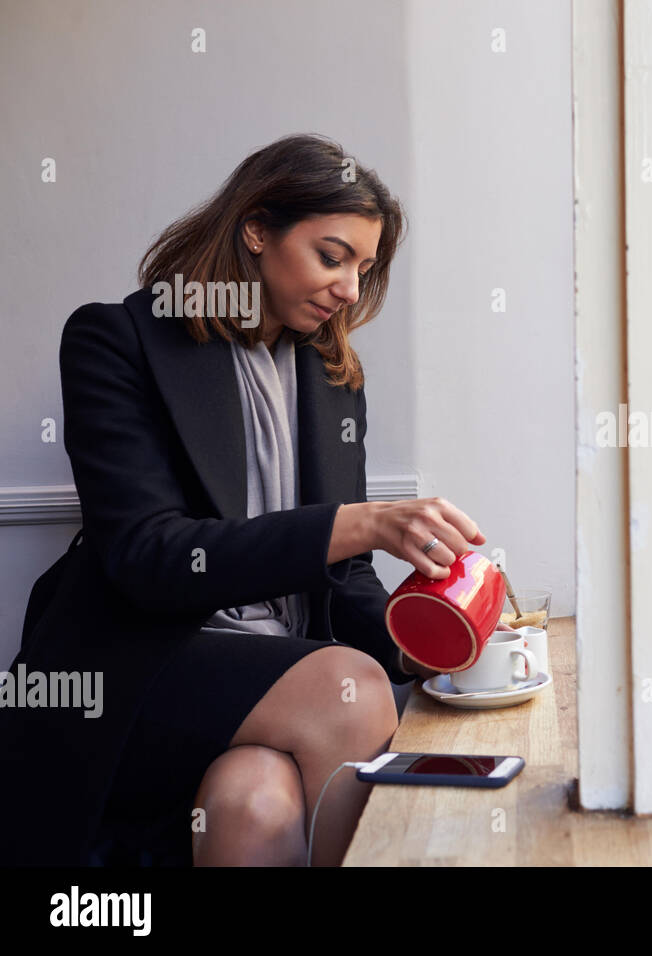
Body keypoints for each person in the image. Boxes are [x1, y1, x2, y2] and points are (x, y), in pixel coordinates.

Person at [0, 134, 487, 868]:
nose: (352, 290)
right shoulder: (117, 341)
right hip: (132, 673)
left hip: (275, 676)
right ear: (257, 228)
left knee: (252, 802)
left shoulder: (333, 377)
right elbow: (147, 556)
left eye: (365, 266)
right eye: (333, 256)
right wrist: (352, 525)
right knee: (346, 685)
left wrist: (430, 652)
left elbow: (346, 577)